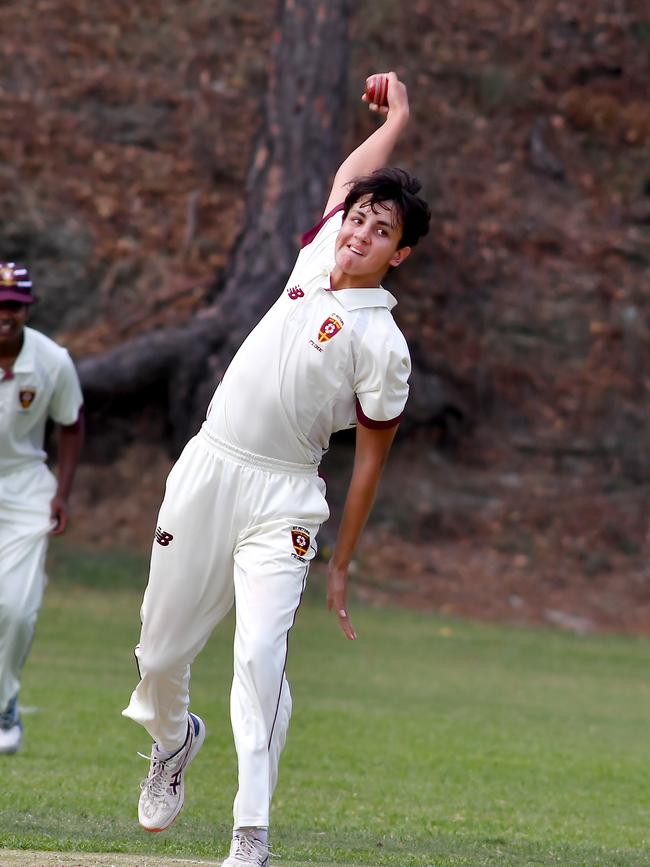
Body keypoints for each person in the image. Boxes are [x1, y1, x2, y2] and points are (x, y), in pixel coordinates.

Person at [122, 70, 430, 866]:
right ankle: (172, 737)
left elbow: (367, 466)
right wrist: (397, 117)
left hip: (285, 497)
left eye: (379, 228)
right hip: (208, 467)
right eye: (359, 218)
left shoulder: (383, 346)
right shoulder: (324, 244)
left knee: (259, 659)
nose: (360, 230)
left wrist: (343, 565)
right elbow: (348, 178)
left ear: (401, 253)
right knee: (158, 657)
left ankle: (249, 836)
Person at [0, 262, 84, 754]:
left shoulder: (52, 360)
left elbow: (71, 425)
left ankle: (5, 703)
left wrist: (62, 493)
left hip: (26, 486)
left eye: (13, 306)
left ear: (26, 307)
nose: (6, 316)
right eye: (0, 306)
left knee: (17, 609)